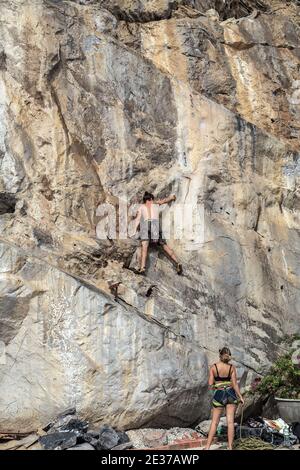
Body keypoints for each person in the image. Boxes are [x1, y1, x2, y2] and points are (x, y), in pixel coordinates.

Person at [133, 191, 183, 275]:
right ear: (151, 199)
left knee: (144, 247)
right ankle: (178, 262)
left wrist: (134, 229)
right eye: (153, 199)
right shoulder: (155, 204)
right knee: (164, 246)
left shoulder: (141, 207)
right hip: (155, 225)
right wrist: (172, 198)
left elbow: (138, 219)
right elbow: (164, 201)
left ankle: (142, 268)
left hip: (146, 225)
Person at [205, 347, 244, 450]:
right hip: (231, 394)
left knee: (214, 422)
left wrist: (216, 387)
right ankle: (230, 447)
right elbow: (235, 384)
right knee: (230, 422)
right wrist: (240, 397)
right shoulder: (231, 368)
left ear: (220, 355)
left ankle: (208, 447)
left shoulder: (214, 367)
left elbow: (210, 384)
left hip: (219, 393)